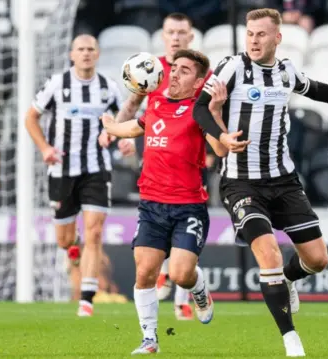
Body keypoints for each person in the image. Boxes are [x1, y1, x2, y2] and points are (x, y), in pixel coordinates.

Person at [192, 8, 328, 357]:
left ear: (277, 38)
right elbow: (200, 109)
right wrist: (221, 134)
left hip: (284, 181)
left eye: (261, 34)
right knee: (268, 256)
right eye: (250, 33)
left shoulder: (285, 72)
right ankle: (290, 339)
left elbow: (317, 90)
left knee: (317, 260)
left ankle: (290, 280)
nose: (253, 39)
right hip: (242, 183)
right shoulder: (232, 67)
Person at [101, 49, 232, 355]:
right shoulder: (156, 102)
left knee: (180, 275)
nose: (174, 74)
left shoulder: (199, 110)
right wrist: (110, 126)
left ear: (199, 81)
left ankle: (198, 289)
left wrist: (215, 111)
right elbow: (135, 127)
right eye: (174, 68)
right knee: (145, 272)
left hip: (188, 206)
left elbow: (221, 150)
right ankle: (150, 339)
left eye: (184, 71)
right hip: (151, 205)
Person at [100, 12, 211, 321]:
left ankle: (182, 297)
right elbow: (134, 108)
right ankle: (157, 324)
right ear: (163, 36)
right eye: (170, 32)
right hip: (155, 162)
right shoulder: (150, 69)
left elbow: (212, 119)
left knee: (180, 263)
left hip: (188, 164)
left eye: (181, 32)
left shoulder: (203, 76)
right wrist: (113, 130)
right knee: (149, 261)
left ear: (191, 36)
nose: (175, 37)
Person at [24, 34, 135, 316]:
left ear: (97, 55)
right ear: (72, 55)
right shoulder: (57, 83)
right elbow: (30, 117)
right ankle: (73, 251)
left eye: (91, 49)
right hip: (61, 169)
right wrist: (45, 147)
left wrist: (125, 140)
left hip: (97, 169)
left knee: (95, 232)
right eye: (81, 49)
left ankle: (87, 298)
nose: (86, 53)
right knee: (65, 240)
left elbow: (124, 121)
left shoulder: (108, 88)